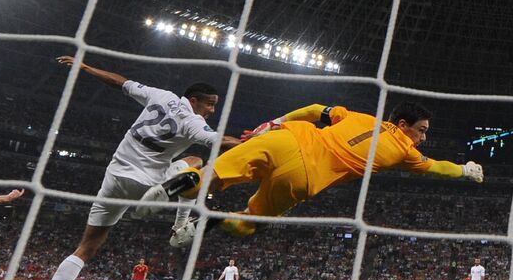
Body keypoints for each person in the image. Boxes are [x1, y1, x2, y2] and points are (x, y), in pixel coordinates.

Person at [18, 56, 239, 280]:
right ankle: (178, 220)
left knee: (85, 248)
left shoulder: (158, 95)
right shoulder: (193, 121)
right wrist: (259, 141)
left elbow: (119, 81)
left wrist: (85, 67)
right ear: (194, 100)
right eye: (210, 104)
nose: (211, 110)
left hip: (114, 177)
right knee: (196, 160)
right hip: (149, 183)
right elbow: (220, 141)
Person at [140, 101, 483, 240]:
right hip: (304, 178)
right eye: (421, 130)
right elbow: (438, 168)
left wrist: (273, 122)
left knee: (213, 172)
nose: (423, 137)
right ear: (404, 125)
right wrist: (465, 170)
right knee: (248, 223)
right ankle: (210, 220)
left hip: (287, 139)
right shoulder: (405, 152)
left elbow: (316, 108)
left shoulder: (359, 117)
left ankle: (176, 186)